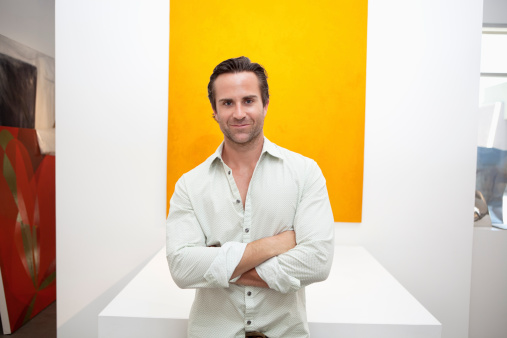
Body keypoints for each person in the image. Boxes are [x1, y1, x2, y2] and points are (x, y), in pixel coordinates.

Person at [166, 56, 335, 338]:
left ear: (265, 104)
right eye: (227, 103)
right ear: (215, 112)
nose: (239, 113)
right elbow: (182, 268)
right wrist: (275, 244)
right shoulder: (189, 185)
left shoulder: (305, 173)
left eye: (248, 100)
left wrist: (218, 266)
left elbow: (317, 261)